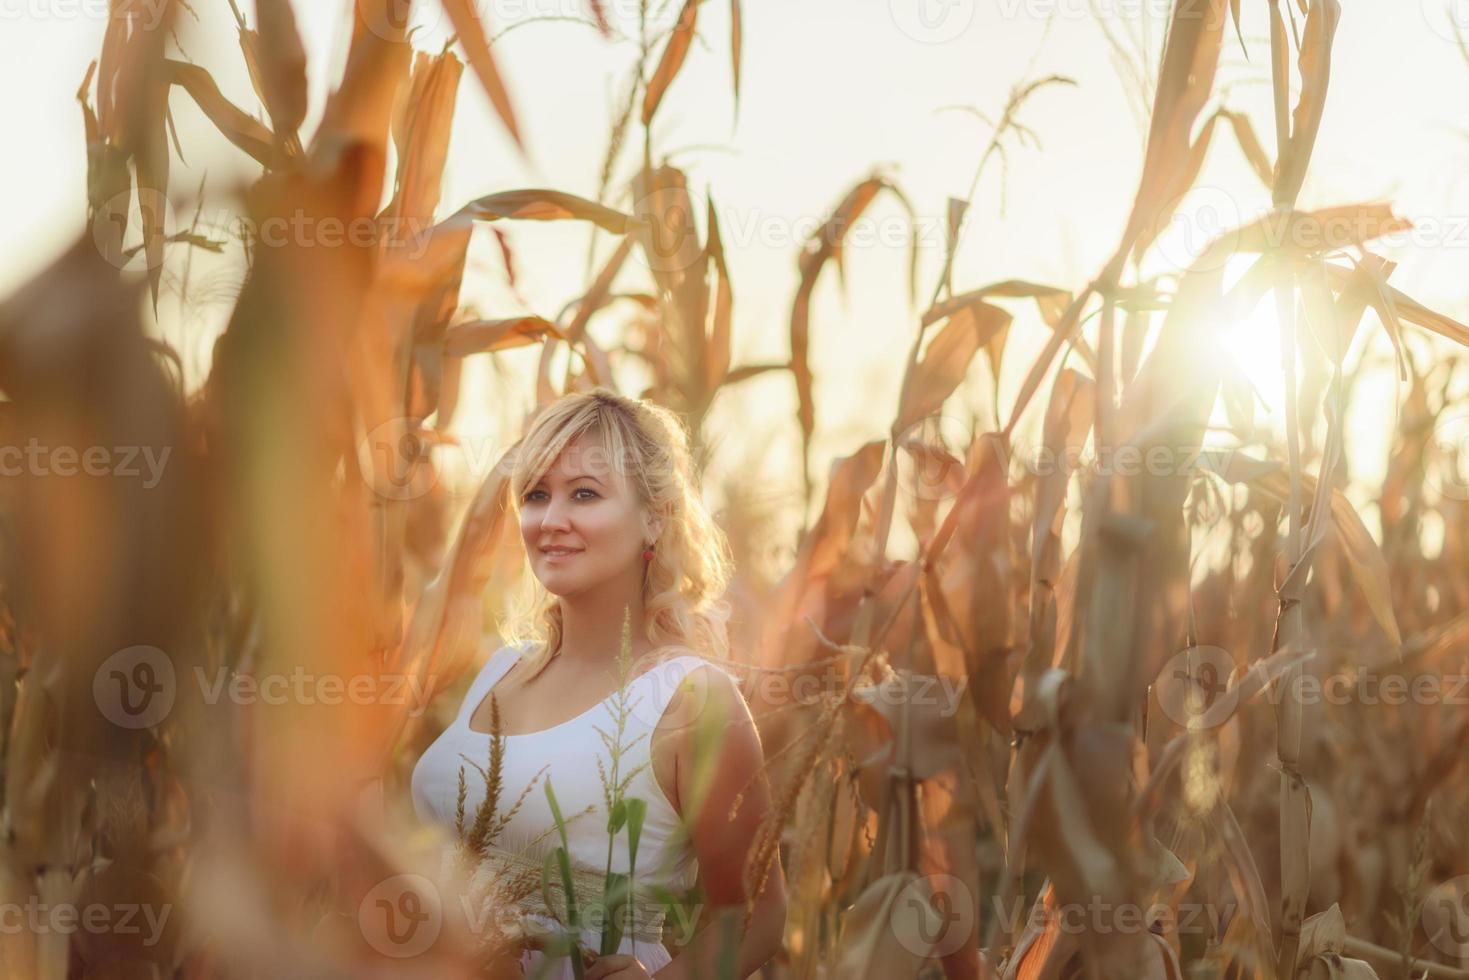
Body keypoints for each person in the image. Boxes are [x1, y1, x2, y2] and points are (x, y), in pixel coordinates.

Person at [411, 388, 787, 979]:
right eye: (536, 495)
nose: (551, 520)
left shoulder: (691, 699)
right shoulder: (497, 671)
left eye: (584, 494)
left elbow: (756, 915)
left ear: (654, 518)